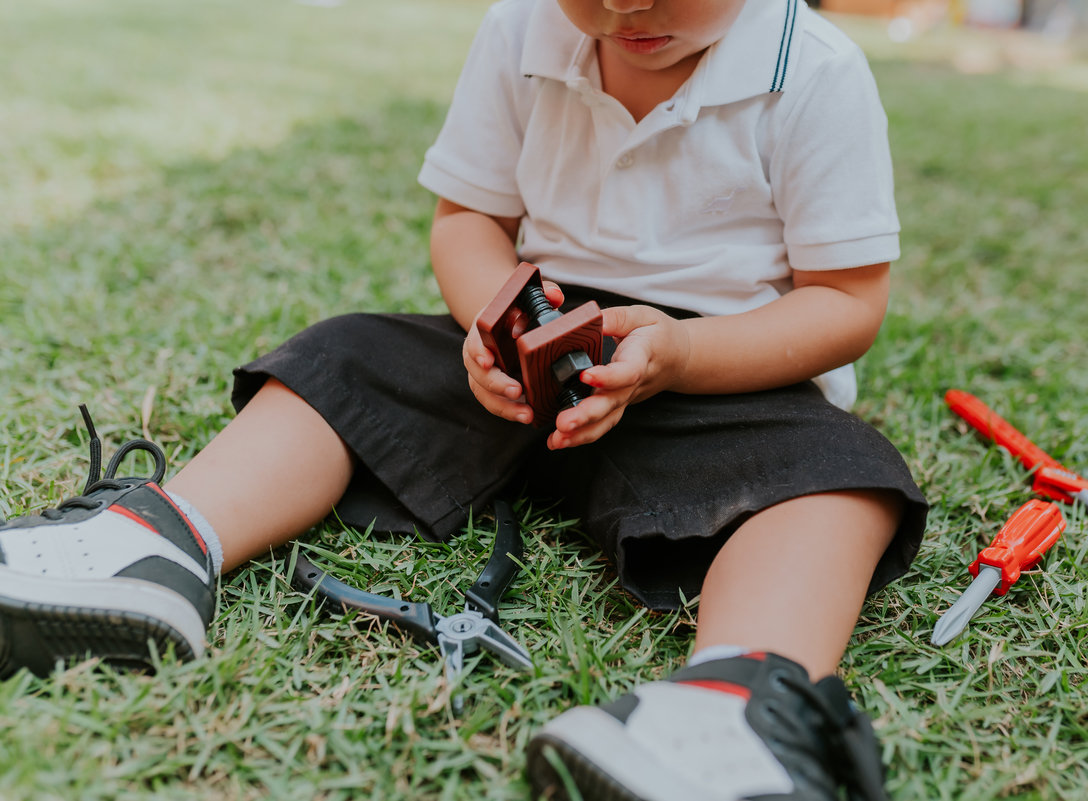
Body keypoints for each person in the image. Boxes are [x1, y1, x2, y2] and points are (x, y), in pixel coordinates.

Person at [0, 0, 928, 798]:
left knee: (840, 477)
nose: (626, 6)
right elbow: (469, 220)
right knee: (349, 355)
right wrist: (486, 320)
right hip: (534, 335)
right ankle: (162, 541)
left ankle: (738, 704)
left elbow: (845, 302)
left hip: (718, 369)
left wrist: (681, 353)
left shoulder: (814, 71)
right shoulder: (522, 29)